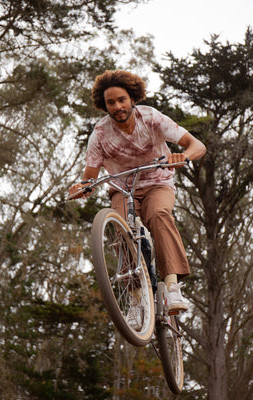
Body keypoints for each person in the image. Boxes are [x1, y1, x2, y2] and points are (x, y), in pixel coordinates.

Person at [69, 70, 206, 330]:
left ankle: (172, 286)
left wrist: (183, 156)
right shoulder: (99, 134)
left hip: (158, 183)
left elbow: (197, 145)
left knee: (158, 215)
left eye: (122, 100)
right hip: (122, 188)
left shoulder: (152, 118)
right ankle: (135, 300)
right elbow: (90, 178)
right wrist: (82, 188)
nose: (117, 107)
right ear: (104, 105)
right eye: (111, 102)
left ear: (133, 99)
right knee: (122, 229)